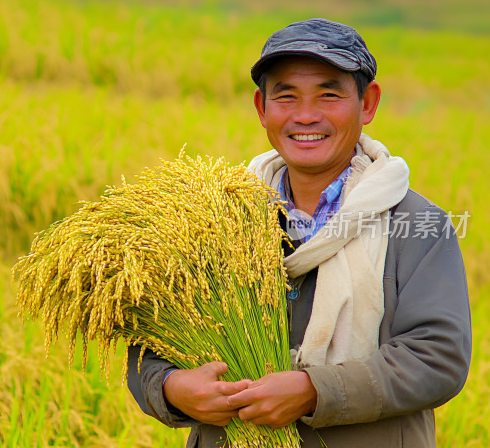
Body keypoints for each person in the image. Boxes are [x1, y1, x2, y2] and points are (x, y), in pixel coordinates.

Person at [126, 18, 471, 447]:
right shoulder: (215, 219)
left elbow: (437, 358)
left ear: (368, 103)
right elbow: (152, 334)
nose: (306, 116)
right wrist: (171, 388)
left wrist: (313, 391)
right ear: (261, 108)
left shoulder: (417, 224)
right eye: (286, 96)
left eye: (329, 94)